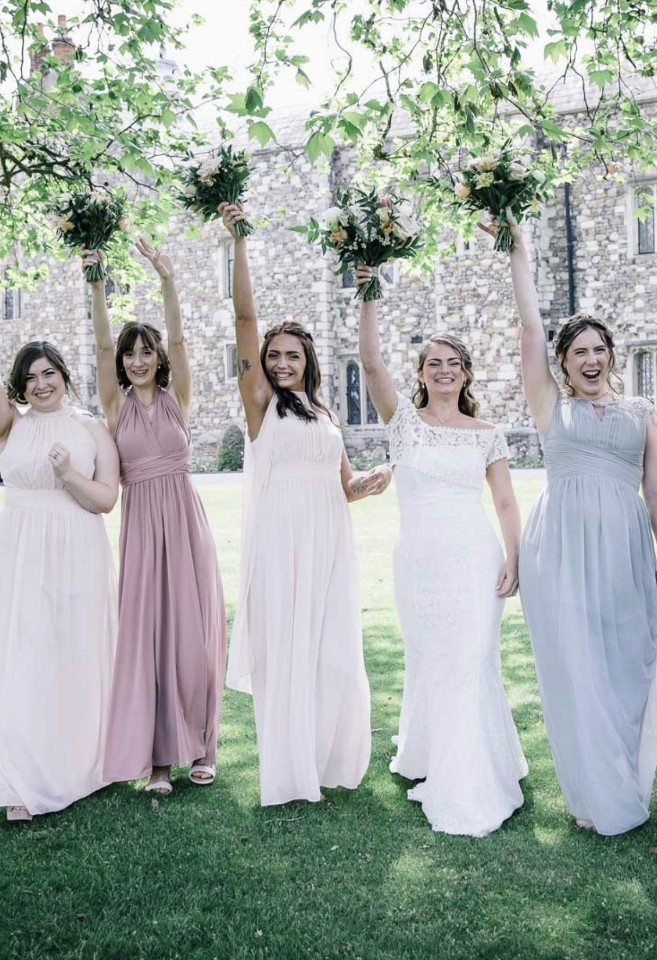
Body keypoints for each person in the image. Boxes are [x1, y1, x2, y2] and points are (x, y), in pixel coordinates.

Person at [486, 215, 657, 834]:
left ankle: (626, 775)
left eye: (598, 349)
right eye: (577, 351)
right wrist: (520, 252)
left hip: (627, 550)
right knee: (578, 668)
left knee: (632, 662)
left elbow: (656, 493)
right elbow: (530, 327)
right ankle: (595, 797)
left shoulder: (642, 412)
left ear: (611, 355)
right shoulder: (550, 407)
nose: (590, 359)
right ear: (561, 362)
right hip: (559, 548)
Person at [221, 203, 391, 806]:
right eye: (275, 356)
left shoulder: (323, 412)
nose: (282, 362)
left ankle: (325, 756)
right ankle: (288, 772)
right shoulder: (260, 405)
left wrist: (366, 483)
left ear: (309, 361)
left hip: (329, 540)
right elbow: (245, 317)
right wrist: (239, 240)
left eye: (293, 355)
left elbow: (342, 484)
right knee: (286, 652)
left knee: (331, 651)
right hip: (282, 540)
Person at [356, 266, 527, 837]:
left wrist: (515, 555)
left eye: (454, 363)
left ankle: (471, 778)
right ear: (422, 373)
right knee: (433, 661)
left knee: (471, 661)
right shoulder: (403, 422)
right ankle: (431, 754)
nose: (445, 370)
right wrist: (369, 293)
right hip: (420, 564)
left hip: (475, 560)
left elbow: (504, 502)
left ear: (466, 374)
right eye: (435, 362)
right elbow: (371, 361)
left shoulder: (488, 432)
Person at [84, 241, 225, 795]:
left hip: (187, 524)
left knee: (193, 636)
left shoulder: (178, 397)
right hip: (141, 528)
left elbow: (182, 336)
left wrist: (167, 279)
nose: (137, 360)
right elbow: (97, 346)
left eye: (146, 352)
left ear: (159, 358)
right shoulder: (114, 408)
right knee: (147, 638)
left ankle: (201, 748)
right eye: (130, 354)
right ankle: (158, 761)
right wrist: (95, 281)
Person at [0, 341, 118, 821]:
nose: (40, 385)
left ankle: (75, 766)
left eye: (48, 374)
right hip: (20, 552)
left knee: (70, 655)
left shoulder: (91, 429)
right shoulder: (11, 424)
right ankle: (20, 778)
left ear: (65, 376)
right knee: (24, 656)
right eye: (30, 378)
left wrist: (68, 473)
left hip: (77, 551)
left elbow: (106, 500)